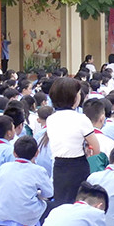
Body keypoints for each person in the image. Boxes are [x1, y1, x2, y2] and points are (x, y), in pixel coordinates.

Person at [0, 136, 55, 226]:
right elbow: (48, 194)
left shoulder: (4, 167)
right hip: (27, 213)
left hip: (3, 213)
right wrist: (37, 193)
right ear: (37, 153)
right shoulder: (39, 170)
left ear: (14, 153)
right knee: (52, 207)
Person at [45, 77, 99, 207]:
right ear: (74, 97)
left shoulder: (50, 119)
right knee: (79, 204)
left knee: (62, 204)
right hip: (78, 166)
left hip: (58, 166)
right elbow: (96, 148)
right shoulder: (81, 119)